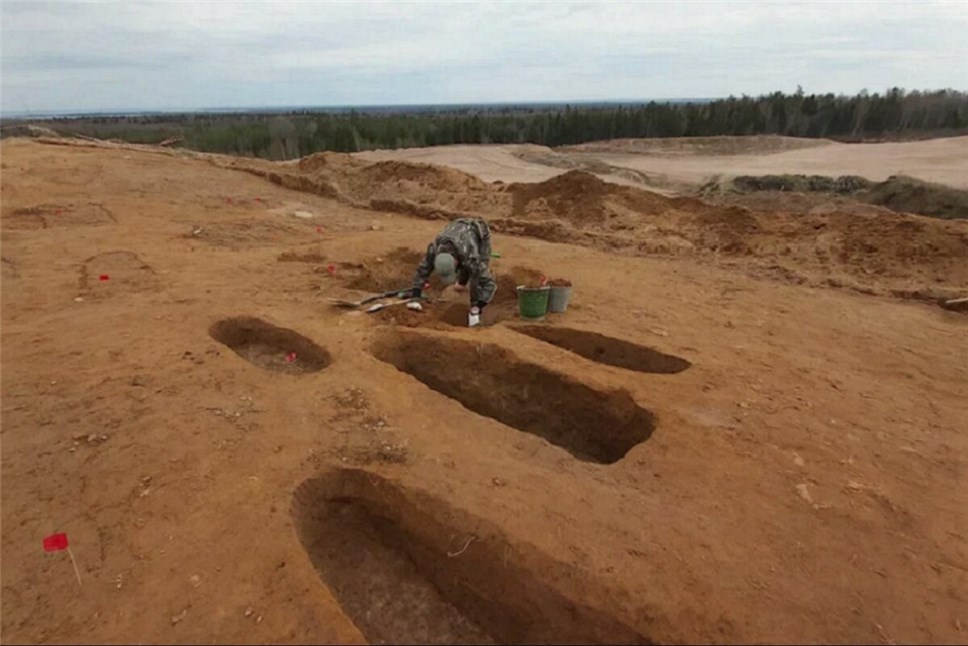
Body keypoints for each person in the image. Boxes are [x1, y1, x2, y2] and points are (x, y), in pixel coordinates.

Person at [409, 217, 496, 326]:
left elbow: (489, 283)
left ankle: (475, 313)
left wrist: (478, 306)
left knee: (477, 278)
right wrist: (415, 296)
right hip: (457, 228)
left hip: (478, 232)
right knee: (464, 276)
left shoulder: (471, 257)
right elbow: (422, 269)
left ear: (455, 262)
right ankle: (462, 283)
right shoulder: (434, 249)